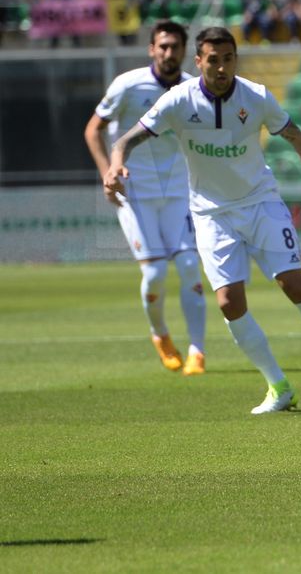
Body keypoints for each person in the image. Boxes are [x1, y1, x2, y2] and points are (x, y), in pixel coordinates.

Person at [103, 27, 301, 414]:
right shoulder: (177, 101)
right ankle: (278, 386)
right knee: (230, 303)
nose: (220, 67)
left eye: (227, 59)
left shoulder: (256, 96)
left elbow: (298, 138)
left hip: (260, 204)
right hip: (211, 215)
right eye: (212, 59)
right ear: (198, 62)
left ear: (235, 60)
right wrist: (115, 167)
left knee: (294, 286)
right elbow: (124, 141)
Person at [83, 22, 208, 375]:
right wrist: (108, 171)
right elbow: (92, 129)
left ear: (185, 51)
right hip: (134, 192)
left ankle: (198, 351)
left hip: (178, 192)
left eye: (175, 47)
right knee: (154, 274)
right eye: (163, 47)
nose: (169, 53)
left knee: (187, 266)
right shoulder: (128, 84)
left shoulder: (191, 88)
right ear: (152, 49)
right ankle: (161, 334)